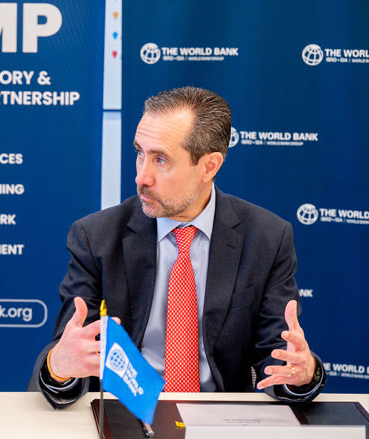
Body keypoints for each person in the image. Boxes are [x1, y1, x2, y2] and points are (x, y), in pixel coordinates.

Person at [31, 86, 325, 408]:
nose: (142, 177)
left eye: (160, 160)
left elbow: (279, 359)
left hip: (219, 420)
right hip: (125, 412)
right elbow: (72, 353)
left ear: (209, 166)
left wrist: (303, 372)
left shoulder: (266, 238)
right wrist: (59, 367)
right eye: (139, 153)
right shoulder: (96, 237)